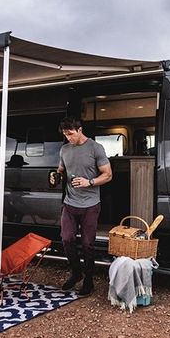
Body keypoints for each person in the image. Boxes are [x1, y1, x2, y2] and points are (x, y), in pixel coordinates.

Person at [49, 117, 112, 297]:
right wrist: (55, 176)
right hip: (70, 203)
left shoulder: (95, 148)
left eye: (70, 134)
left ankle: (89, 279)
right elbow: (60, 171)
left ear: (80, 130)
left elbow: (108, 175)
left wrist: (89, 182)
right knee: (67, 239)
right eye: (65, 135)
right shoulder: (64, 149)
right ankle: (76, 272)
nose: (68, 138)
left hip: (91, 204)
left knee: (87, 244)